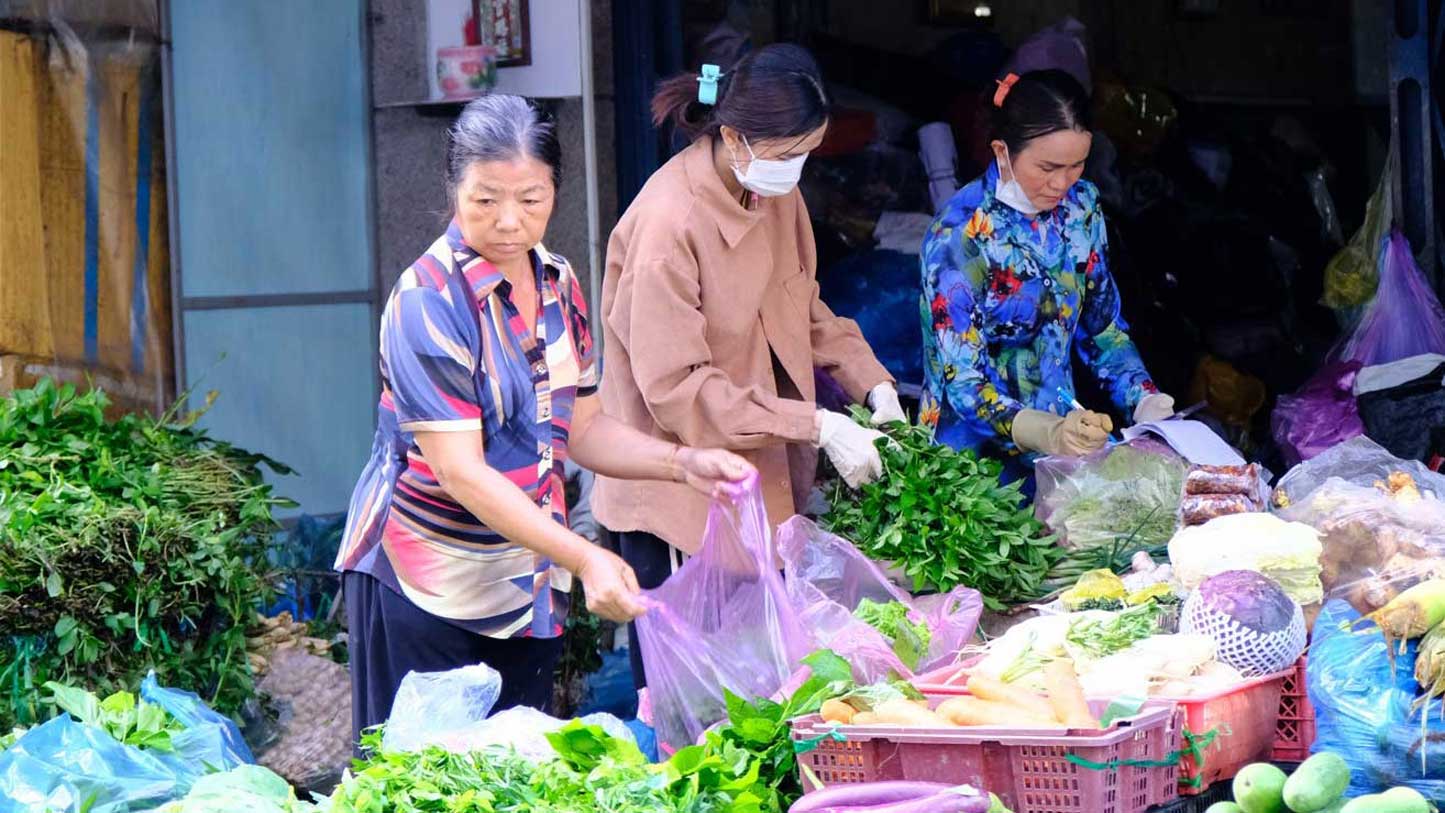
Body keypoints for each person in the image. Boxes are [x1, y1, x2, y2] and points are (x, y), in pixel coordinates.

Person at [334, 94, 754, 741]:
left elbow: (581, 427)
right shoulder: (427, 301)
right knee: (418, 786)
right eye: (485, 199)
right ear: (453, 190)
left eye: (530, 199)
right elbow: (462, 473)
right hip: (427, 588)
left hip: (528, 589)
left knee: (514, 784)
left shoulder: (559, 284)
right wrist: (586, 558)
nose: (509, 221)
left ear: (555, 190)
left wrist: (683, 461)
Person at [593, 44, 902, 691]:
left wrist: (869, 380)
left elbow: (801, 301)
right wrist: (818, 424)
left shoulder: (773, 194)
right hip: (679, 500)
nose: (796, 171)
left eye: (806, 153)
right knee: (703, 711)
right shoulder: (665, 225)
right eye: (789, 154)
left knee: (774, 695)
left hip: (760, 484)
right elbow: (680, 391)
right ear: (733, 136)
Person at [919, 70, 1174, 482]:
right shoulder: (959, 237)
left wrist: (1143, 396)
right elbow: (962, 383)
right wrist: (1045, 431)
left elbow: (1102, 326)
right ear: (1002, 152)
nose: (1062, 183)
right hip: (968, 467)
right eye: (1048, 167)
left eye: (1077, 165)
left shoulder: (1081, 209)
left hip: (1061, 454)